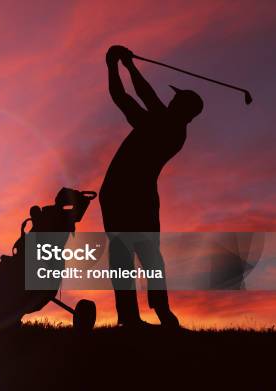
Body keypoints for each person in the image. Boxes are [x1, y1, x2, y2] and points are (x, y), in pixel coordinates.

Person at [99, 45, 204, 328]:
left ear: (182, 110)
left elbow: (125, 97)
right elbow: (145, 95)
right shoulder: (169, 124)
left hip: (123, 193)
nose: (169, 102)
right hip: (133, 194)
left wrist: (114, 65)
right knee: (143, 255)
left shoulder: (164, 127)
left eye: (175, 101)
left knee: (133, 254)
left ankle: (144, 315)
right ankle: (144, 316)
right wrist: (128, 65)